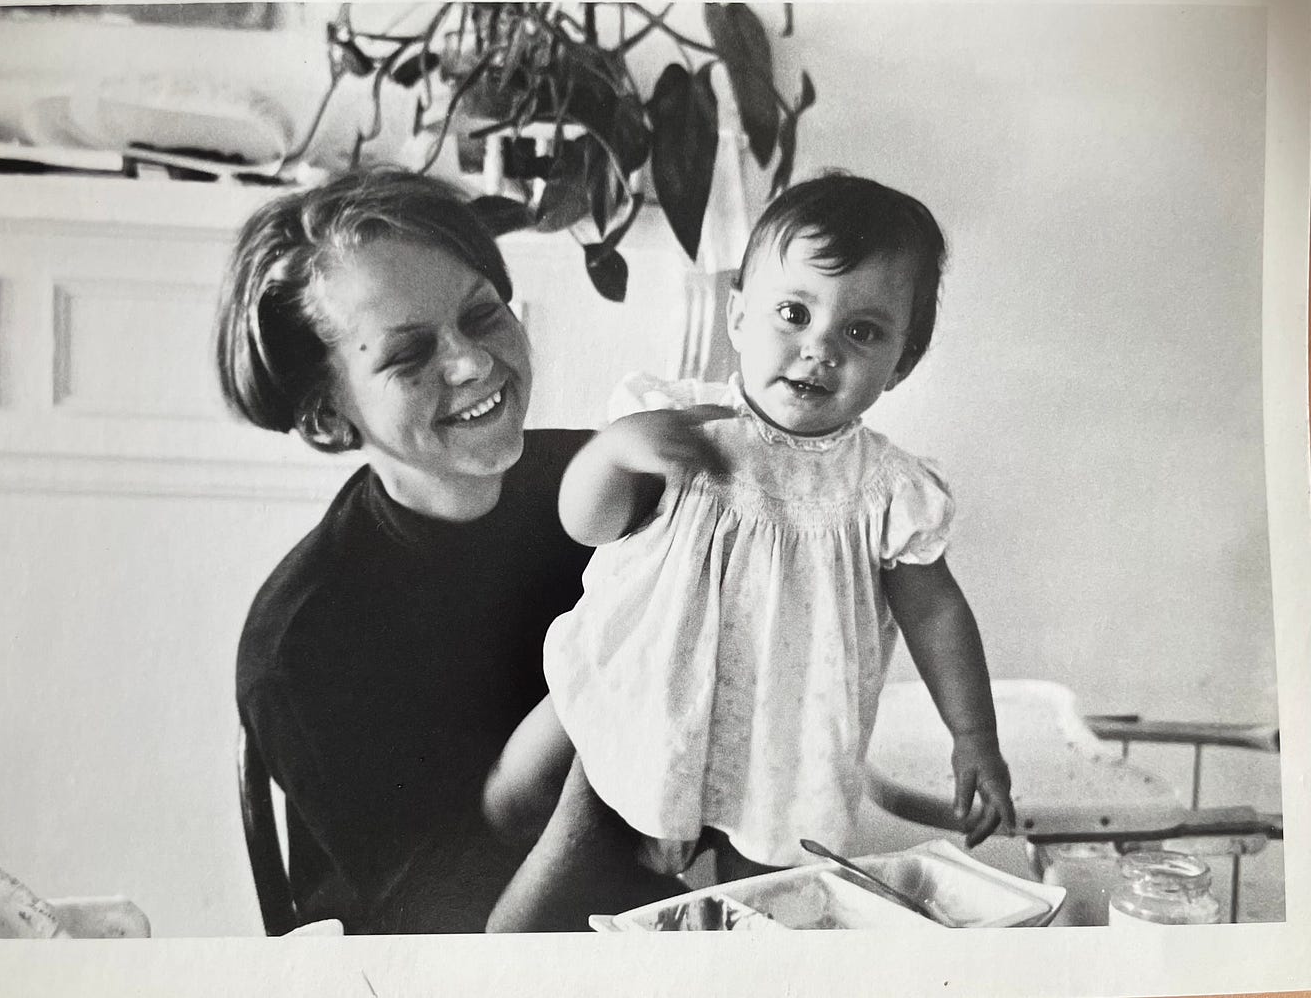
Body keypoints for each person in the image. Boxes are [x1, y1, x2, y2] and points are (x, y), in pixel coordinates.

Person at [485, 171, 1017, 932]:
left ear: (902, 362)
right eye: (793, 312)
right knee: (528, 806)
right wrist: (614, 453)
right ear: (737, 314)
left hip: (783, 734)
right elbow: (587, 523)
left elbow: (935, 612)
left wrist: (975, 736)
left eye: (862, 332)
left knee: (767, 910)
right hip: (647, 689)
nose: (819, 349)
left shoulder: (887, 489)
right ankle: (495, 882)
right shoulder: (683, 426)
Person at [216, 168, 680, 933]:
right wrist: (607, 693)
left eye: (483, 314)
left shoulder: (609, 481)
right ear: (331, 416)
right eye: (407, 355)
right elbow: (464, 945)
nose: (471, 362)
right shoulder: (303, 643)